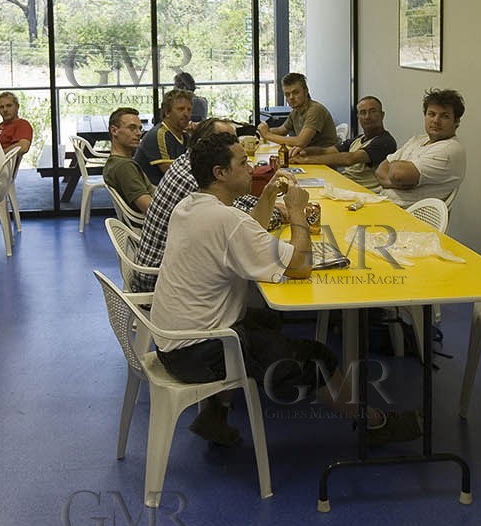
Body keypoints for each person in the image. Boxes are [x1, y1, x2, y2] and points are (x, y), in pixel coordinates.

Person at [151, 133, 422, 447]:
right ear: (220, 173)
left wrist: (266, 196)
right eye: (242, 163)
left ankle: (215, 413)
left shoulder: (193, 206)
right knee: (318, 358)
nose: (250, 167)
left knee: (266, 320)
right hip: (198, 353)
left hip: (172, 341)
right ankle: (375, 425)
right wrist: (296, 212)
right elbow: (300, 266)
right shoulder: (226, 220)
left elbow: (246, 234)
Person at [129, 117, 254, 293]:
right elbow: (245, 220)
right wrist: (281, 209)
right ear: (208, 145)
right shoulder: (194, 180)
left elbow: (237, 202)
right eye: (225, 141)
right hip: (160, 281)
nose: (234, 146)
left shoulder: (187, 163)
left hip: (169, 269)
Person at [376, 89, 466, 208]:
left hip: (409, 217)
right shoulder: (418, 139)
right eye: (431, 114)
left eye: (444, 116)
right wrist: (396, 182)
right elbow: (380, 170)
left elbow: (398, 174)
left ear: (456, 121)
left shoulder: (449, 150)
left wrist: (394, 168)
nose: (436, 121)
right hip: (385, 204)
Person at [290, 95, 396, 189]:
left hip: (363, 192)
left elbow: (349, 159)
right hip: (345, 184)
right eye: (363, 113)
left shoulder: (385, 141)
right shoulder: (358, 139)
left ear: (382, 115)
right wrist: (304, 151)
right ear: (358, 117)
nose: (367, 117)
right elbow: (326, 151)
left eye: (372, 111)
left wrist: (307, 160)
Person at [257, 72, 335, 150]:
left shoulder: (315, 110)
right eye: (287, 94)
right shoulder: (295, 112)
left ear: (306, 91)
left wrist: (267, 135)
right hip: (306, 155)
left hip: (323, 158)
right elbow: (281, 131)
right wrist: (263, 130)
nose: (291, 97)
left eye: (295, 92)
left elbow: (300, 142)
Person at [133, 88, 193, 185]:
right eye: (181, 109)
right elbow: (173, 175)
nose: (186, 114)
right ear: (167, 112)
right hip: (155, 193)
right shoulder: (159, 135)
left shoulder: (185, 136)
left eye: (189, 110)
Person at [102, 106, 152, 215]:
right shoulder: (124, 167)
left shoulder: (114, 162)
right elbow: (150, 208)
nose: (139, 133)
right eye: (132, 128)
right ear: (114, 130)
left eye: (140, 128)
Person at [0, 91, 33, 156]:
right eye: (1, 107)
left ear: (17, 107)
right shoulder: (1, 126)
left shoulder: (22, 124)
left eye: (9, 106)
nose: (5, 110)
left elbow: (23, 147)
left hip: (1, 163)